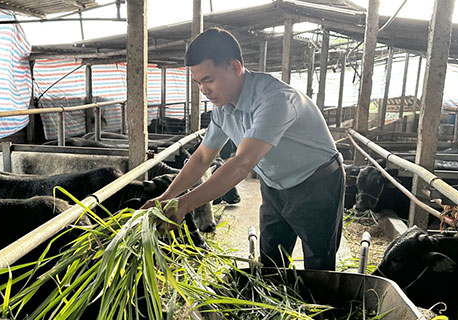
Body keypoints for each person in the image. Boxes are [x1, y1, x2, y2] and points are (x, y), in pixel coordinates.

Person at [142, 27, 345, 271]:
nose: (204, 90)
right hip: (273, 184)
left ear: (235, 67)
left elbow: (242, 164)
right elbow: (203, 157)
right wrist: (165, 198)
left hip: (317, 183)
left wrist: (183, 205)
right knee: (271, 261)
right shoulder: (222, 109)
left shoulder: (275, 100)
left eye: (209, 80)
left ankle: (319, 295)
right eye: (198, 83)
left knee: (319, 264)